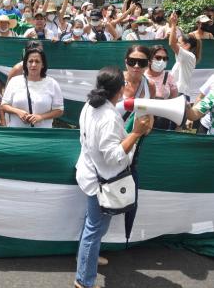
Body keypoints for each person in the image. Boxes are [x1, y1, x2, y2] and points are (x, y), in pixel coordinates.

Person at [74, 66, 152, 288]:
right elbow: (114, 156)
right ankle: (84, 280)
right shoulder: (108, 116)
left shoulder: (90, 105)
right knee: (95, 229)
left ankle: (86, 257)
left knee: (92, 226)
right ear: (119, 89)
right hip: (102, 182)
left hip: (91, 176)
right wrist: (136, 132)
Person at [2, 47, 64, 127]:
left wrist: (41, 117)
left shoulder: (52, 83)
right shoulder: (14, 81)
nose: (33, 65)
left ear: (43, 65)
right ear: (25, 63)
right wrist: (18, 112)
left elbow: (59, 110)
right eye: (30, 61)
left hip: (42, 135)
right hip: (17, 134)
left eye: (37, 61)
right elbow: (3, 105)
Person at [145, 45, 178, 129]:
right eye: (158, 57)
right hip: (144, 116)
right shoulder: (142, 75)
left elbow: (174, 97)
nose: (161, 61)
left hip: (162, 119)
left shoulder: (169, 76)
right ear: (149, 59)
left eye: (165, 58)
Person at [169, 13, 197, 100]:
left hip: (181, 94)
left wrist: (173, 24)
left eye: (179, 42)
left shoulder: (189, 55)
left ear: (187, 45)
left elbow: (171, 43)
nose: (177, 44)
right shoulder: (184, 56)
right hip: (177, 93)